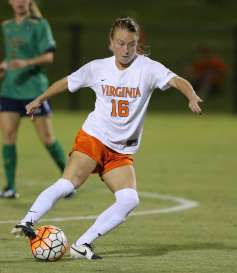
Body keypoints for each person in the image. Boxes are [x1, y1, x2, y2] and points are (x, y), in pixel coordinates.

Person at [11, 17, 203, 260]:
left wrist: (192, 95)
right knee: (69, 183)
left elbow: (178, 80)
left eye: (131, 44)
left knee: (129, 199)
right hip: (94, 137)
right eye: (121, 43)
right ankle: (27, 221)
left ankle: (82, 244)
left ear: (137, 43)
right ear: (111, 43)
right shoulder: (98, 68)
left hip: (120, 150)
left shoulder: (148, 68)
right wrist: (40, 99)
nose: (126, 50)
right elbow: (66, 83)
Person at [0, 0, 75, 199]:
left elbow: (48, 57)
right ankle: (10, 187)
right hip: (10, 89)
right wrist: (4, 66)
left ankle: (69, 182)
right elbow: (11, 56)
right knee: (8, 136)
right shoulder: (6, 26)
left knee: (47, 139)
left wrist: (26, 62)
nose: (20, 2)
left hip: (34, 89)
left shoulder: (40, 24)